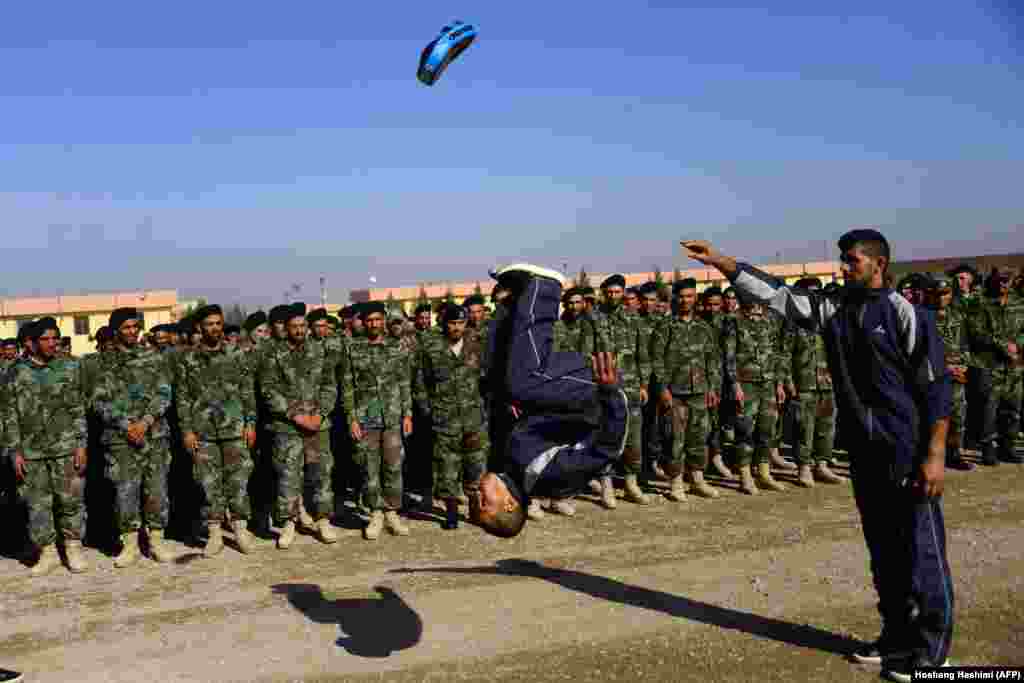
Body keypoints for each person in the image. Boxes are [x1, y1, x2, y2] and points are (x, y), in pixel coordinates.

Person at [682, 231, 953, 680]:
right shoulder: (834, 310)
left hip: (907, 451)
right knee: (884, 549)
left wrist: (935, 455)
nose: (843, 268)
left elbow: (935, 387)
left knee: (921, 550)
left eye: (852, 262)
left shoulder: (906, 314)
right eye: (842, 261)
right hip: (865, 453)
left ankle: (932, 654)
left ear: (879, 264)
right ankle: (896, 640)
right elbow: (778, 296)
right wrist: (722, 262)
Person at [469, 264, 628, 539]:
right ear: (509, 503)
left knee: (498, 385)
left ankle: (514, 298)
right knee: (522, 383)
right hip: (597, 397)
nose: (476, 497)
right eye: (484, 504)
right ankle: (545, 287)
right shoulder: (550, 478)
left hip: (564, 398)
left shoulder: (510, 468)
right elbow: (608, 449)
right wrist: (610, 393)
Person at [2, 317, 89, 575]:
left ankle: (73, 548)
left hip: (65, 447)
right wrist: (15, 451)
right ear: (33, 343)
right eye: (46, 339)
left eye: (55, 339)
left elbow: (77, 409)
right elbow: (9, 415)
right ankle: (48, 552)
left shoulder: (69, 368)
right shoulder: (15, 372)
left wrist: (81, 444)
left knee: (70, 500)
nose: (52, 344)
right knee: (37, 504)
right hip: (31, 451)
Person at [92, 307, 176, 567]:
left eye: (134, 326)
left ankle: (156, 540)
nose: (131, 331)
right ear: (116, 330)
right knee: (125, 491)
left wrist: (146, 421)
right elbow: (99, 400)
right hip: (120, 437)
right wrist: (127, 425)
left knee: (156, 489)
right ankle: (129, 544)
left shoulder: (154, 357)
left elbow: (164, 393)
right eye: (126, 327)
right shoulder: (103, 361)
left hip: (154, 434)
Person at [174, 305, 258, 557]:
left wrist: (251, 423)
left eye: (218, 323)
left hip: (235, 429)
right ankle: (214, 533)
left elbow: (247, 391)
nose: (215, 328)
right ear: (200, 327)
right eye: (209, 324)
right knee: (208, 484)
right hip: (203, 432)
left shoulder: (236, 354)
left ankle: (241, 530)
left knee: (239, 480)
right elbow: (183, 398)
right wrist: (187, 431)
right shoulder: (188, 359)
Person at [413, 304, 489, 530]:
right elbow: (420, 383)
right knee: (447, 468)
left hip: (473, 417)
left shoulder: (476, 345)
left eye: (461, 323)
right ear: (444, 324)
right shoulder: (431, 348)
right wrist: (428, 410)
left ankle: (476, 508)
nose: (456, 328)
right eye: (452, 323)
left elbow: (485, 379)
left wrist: (483, 406)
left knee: (476, 465)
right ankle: (451, 513)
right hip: (444, 420)